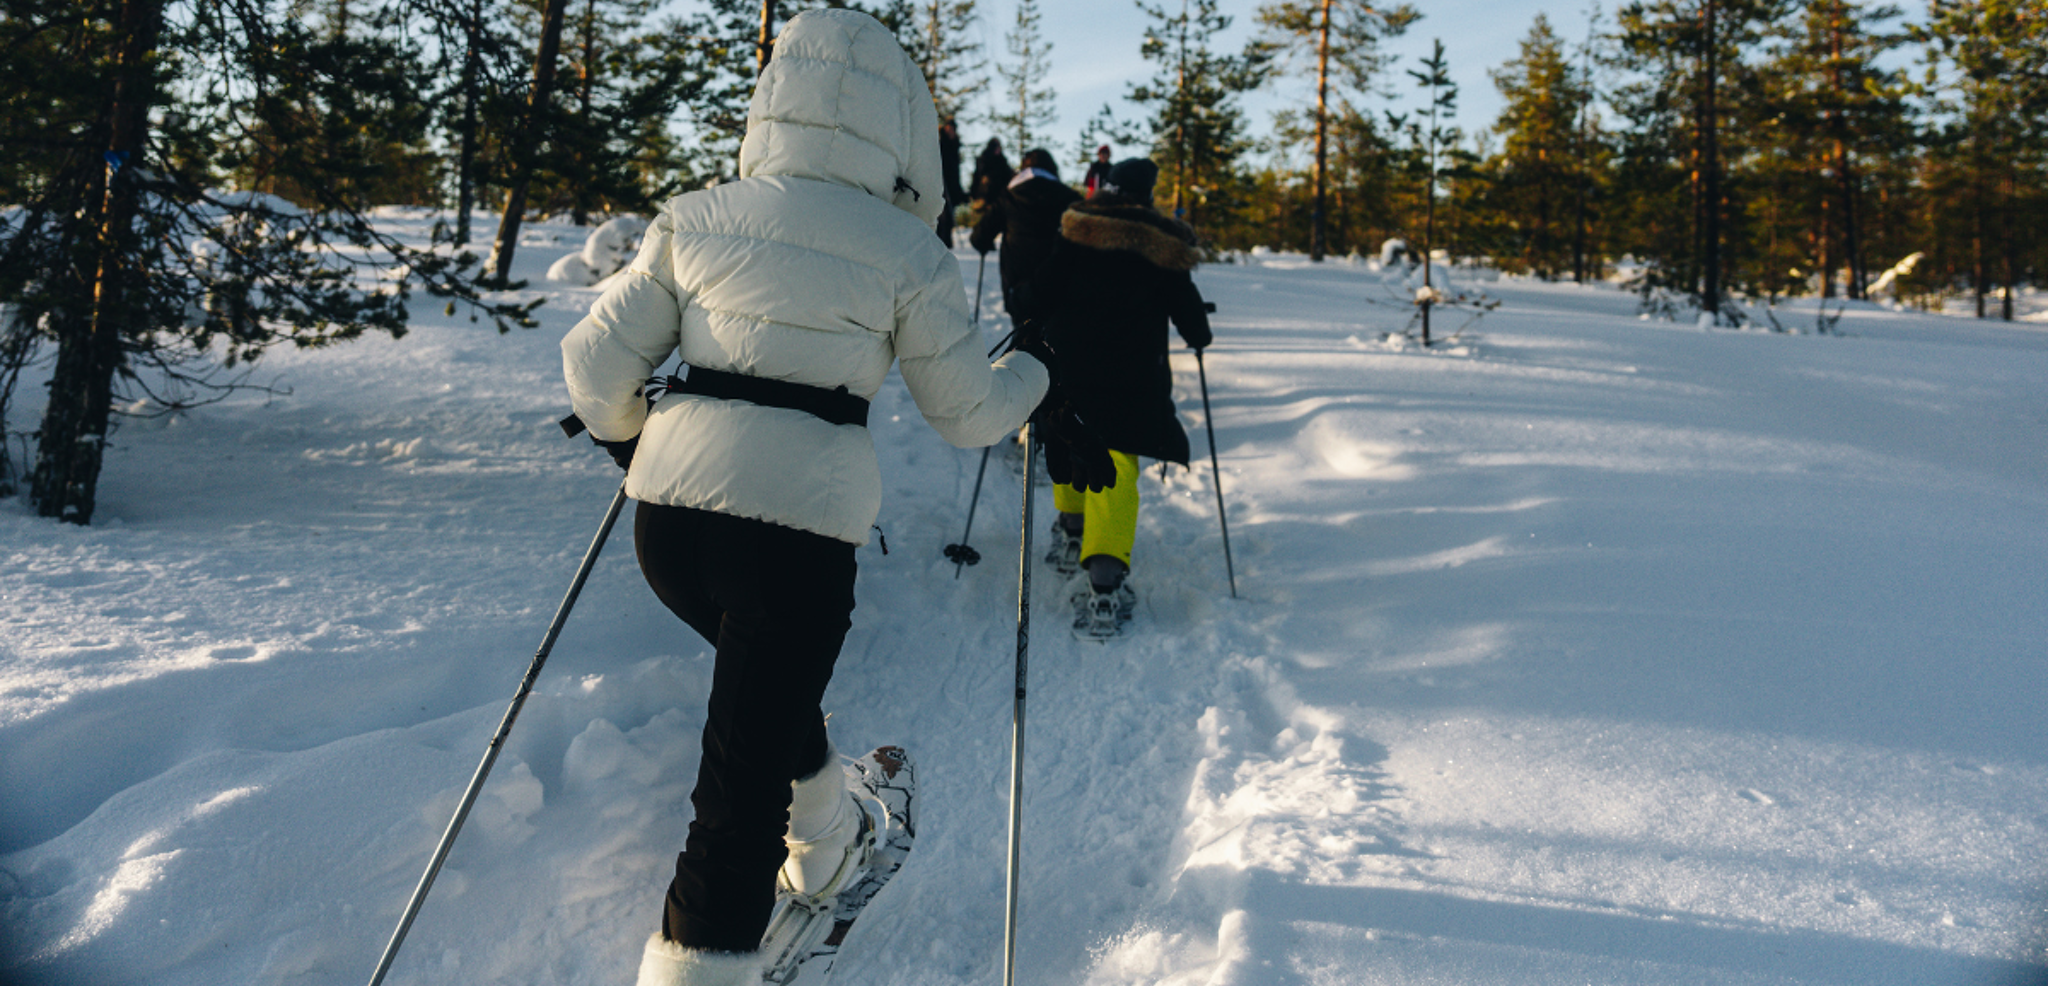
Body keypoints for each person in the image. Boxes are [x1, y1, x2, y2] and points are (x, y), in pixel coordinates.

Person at [559, 11, 1109, 985]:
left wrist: (637, 438)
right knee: (731, 798)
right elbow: (969, 411)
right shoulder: (903, 250)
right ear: (902, 133)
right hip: (793, 532)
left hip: (668, 528)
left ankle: (824, 830)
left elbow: (593, 361)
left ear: (773, 108)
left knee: (758, 705)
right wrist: (1037, 370)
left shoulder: (700, 214)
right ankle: (714, 952)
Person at [1017, 158, 1212, 638]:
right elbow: (1191, 319)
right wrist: (1199, 333)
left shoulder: (1078, 231)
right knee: (1116, 464)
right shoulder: (1162, 246)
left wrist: (1026, 305)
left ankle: (1070, 530)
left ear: (1107, 188)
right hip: (1133, 378)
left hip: (1069, 368)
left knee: (1067, 441)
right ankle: (1103, 586)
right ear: (1147, 195)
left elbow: (1034, 295)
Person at [969, 148, 1083, 324]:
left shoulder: (1008, 197)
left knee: (1023, 337)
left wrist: (984, 243)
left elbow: (979, 236)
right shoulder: (1070, 198)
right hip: (1059, 287)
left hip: (1018, 288)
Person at [936, 117, 963, 246]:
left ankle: (946, 243)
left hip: (951, 186)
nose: (950, 132)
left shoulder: (955, 146)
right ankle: (941, 243)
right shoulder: (941, 145)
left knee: (949, 218)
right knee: (942, 217)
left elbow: (956, 171)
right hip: (941, 184)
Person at [967, 138, 1012, 209]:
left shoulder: (1002, 161)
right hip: (986, 194)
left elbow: (1007, 175)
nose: (998, 150)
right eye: (996, 147)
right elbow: (978, 176)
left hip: (1000, 194)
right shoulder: (983, 160)